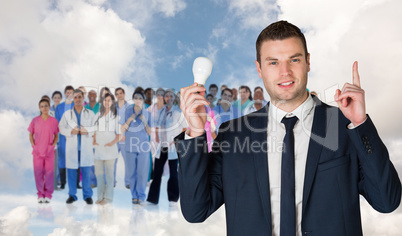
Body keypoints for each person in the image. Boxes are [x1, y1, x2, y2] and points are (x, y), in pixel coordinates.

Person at [176, 20, 401, 236]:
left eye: (294, 60)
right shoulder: (232, 135)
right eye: (273, 62)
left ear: (308, 62)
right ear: (259, 68)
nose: (285, 72)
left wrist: (360, 125)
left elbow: (387, 201)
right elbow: (196, 211)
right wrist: (196, 133)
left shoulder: (345, 125)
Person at [147, 89, 187, 206]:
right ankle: (152, 199)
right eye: (166, 96)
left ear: (173, 98)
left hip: (173, 147)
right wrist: (158, 138)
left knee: (173, 173)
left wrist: (177, 140)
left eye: (171, 96)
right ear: (164, 98)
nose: (168, 98)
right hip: (162, 146)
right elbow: (158, 125)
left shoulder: (178, 112)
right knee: (157, 173)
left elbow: (185, 128)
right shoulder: (161, 111)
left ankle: (173, 199)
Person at [59, 89, 96, 204]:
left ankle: (87, 196)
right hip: (72, 148)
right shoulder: (67, 114)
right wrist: (71, 131)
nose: (77, 99)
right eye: (75, 97)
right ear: (73, 99)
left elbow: (96, 127)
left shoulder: (90, 113)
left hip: (85, 147)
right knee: (71, 171)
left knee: (86, 172)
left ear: (83, 98)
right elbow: (61, 128)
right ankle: (72, 195)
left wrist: (87, 131)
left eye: (79, 97)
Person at [122, 91, 152, 205]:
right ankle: (134, 196)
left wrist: (144, 121)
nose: (138, 100)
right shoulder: (127, 111)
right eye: (136, 98)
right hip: (130, 146)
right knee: (131, 173)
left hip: (143, 147)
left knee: (142, 173)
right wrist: (130, 119)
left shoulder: (148, 114)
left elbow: (149, 132)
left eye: (140, 98)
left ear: (143, 100)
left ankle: (141, 196)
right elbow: (122, 129)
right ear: (133, 99)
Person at [28, 98, 59, 203]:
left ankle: (48, 195)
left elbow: (56, 135)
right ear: (39, 108)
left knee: (49, 173)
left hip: (49, 151)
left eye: (46, 105)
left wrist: (53, 146)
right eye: (42, 106)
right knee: (38, 173)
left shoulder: (54, 121)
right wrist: (34, 146)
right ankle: (40, 194)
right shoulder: (35, 120)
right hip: (37, 151)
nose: (44, 108)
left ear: (49, 106)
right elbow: (30, 134)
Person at [93, 93, 120, 205]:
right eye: (105, 100)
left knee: (109, 176)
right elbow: (94, 129)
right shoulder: (98, 115)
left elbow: (120, 134)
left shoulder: (116, 117)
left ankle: (108, 199)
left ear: (112, 102)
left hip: (110, 150)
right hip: (99, 150)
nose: (107, 102)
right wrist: (94, 140)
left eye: (109, 100)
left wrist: (112, 143)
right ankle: (100, 197)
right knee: (99, 176)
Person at [55, 85, 75, 189]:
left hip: (73, 135)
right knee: (62, 158)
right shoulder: (59, 107)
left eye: (71, 92)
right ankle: (62, 182)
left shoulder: (76, 105)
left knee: (73, 158)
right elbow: (57, 121)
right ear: (65, 93)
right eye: (67, 92)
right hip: (62, 135)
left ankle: (73, 183)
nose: (69, 94)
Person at [148, 88, 165, 181]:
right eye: (158, 94)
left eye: (162, 94)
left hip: (163, 134)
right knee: (153, 154)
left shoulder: (166, 108)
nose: (159, 96)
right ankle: (152, 173)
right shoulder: (152, 107)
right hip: (152, 134)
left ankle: (159, 172)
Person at [115, 87, 130, 188]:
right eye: (117, 94)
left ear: (124, 94)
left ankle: (128, 182)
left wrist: (125, 135)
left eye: (121, 93)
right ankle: (111, 181)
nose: (119, 95)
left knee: (128, 161)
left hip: (125, 139)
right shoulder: (112, 107)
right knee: (112, 160)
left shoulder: (129, 107)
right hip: (115, 138)